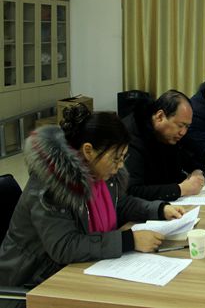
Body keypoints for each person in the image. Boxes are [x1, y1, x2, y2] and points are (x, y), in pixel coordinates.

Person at [0, 105, 184, 301]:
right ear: (88, 151)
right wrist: (130, 240)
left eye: (123, 158)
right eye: (116, 158)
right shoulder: (52, 184)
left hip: (74, 271)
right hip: (31, 284)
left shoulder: (100, 173)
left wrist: (159, 209)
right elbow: (65, 246)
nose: (120, 165)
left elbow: (119, 204)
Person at [123, 89, 205, 201]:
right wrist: (181, 189)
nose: (183, 132)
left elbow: (188, 161)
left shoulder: (169, 135)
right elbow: (131, 191)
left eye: (187, 127)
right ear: (160, 116)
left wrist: (197, 172)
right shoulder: (131, 136)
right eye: (180, 125)